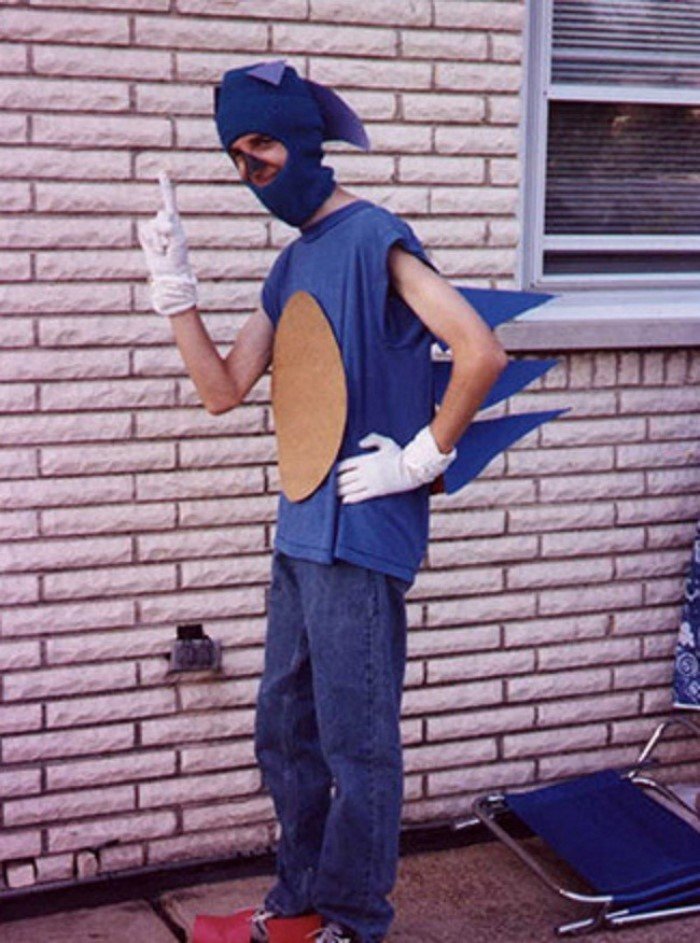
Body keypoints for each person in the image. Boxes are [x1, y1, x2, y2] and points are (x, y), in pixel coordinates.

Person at [138, 61, 507, 943]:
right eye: (236, 156)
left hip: (362, 528)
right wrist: (176, 293)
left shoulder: (376, 236)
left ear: (304, 138)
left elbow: (479, 349)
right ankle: (300, 897)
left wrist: (420, 458)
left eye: (261, 147)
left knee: (357, 741)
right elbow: (224, 389)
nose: (250, 170)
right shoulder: (292, 262)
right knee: (283, 730)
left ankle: (354, 919)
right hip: (301, 526)